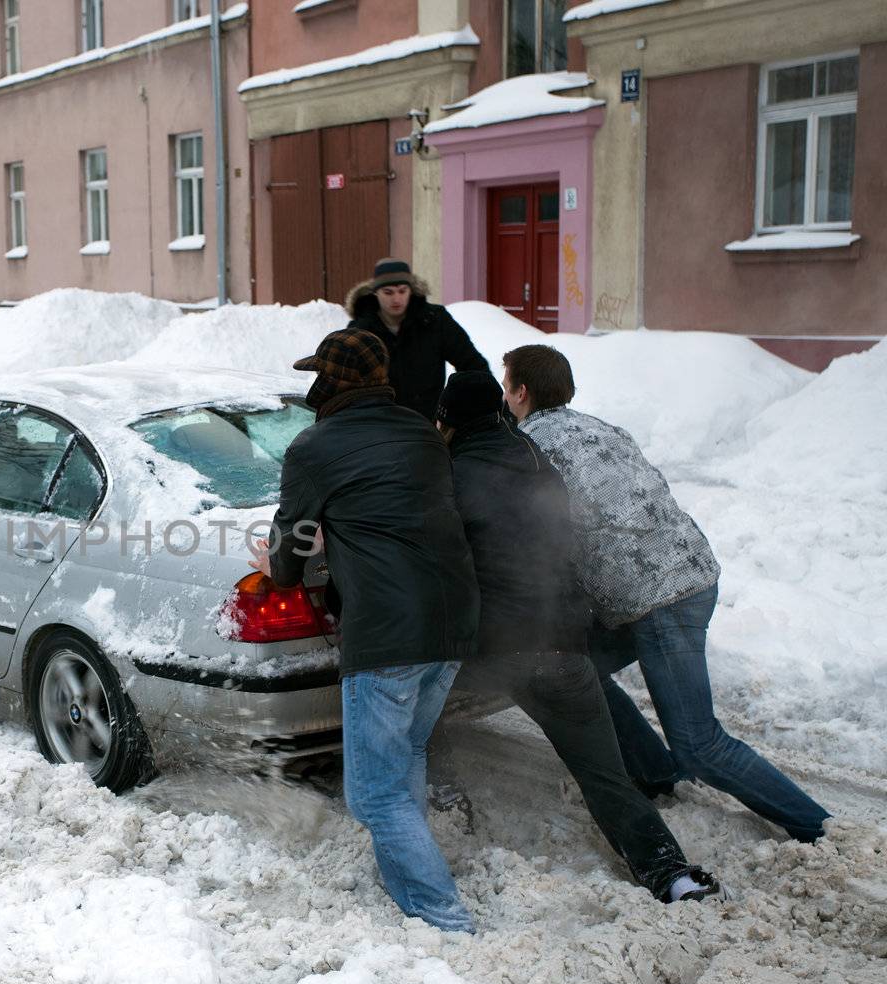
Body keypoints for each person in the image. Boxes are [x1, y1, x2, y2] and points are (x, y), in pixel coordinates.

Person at [503, 344, 830, 842]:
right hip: (690, 572)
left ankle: (816, 824)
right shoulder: (603, 428)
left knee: (700, 744)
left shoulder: (531, 449)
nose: (505, 396)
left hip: (662, 599)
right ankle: (655, 772)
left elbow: (540, 531)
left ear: (521, 391)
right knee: (577, 665)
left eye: (506, 385)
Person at [438, 371, 719, 902]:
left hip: (497, 650)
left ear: (448, 423)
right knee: (605, 776)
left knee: (408, 699)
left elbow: (443, 568)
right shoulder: (538, 464)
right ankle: (672, 875)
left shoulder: (451, 478)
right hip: (564, 644)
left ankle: (447, 800)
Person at [253, 327, 480, 932]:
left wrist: (274, 562)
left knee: (372, 794)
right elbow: (398, 509)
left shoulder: (314, 447)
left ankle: (444, 917)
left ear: (329, 383)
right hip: (456, 620)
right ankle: (406, 884)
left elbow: (286, 557)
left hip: (388, 635)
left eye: (317, 376)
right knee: (405, 751)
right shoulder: (423, 433)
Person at [345, 257, 489, 420]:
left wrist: (462, 408)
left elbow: (474, 366)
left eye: (402, 290)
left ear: (411, 290)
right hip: (380, 428)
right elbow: (343, 383)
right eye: (388, 292)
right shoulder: (360, 330)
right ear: (375, 293)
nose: (396, 299)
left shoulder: (434, 320)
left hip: (428, 425)